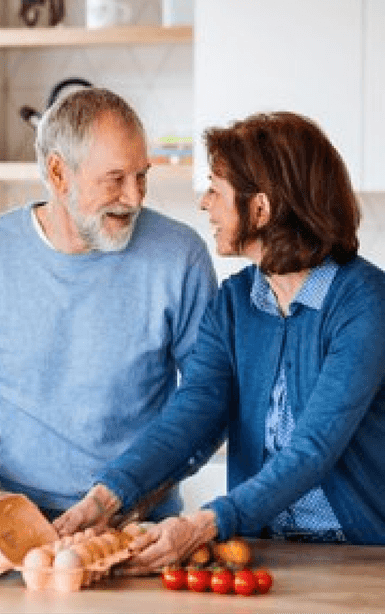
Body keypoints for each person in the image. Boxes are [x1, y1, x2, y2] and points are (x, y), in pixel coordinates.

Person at [54, 111, 385, 572]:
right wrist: (107, 495)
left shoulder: (364, 302)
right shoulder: (235, 302)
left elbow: (314, 446)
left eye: (216, 189)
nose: (205, 204)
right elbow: (191, 416)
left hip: (362, 555)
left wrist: (207, 522)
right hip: (261, 554)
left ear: (261, 208)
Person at [0, 88, 217, 519]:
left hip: (139, 525)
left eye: (142, 176)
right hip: (18, 524)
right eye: (115, 179)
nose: (135, 198)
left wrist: (131, 501)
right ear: (59, 174)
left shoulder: (179, 256)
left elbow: (208, 401)